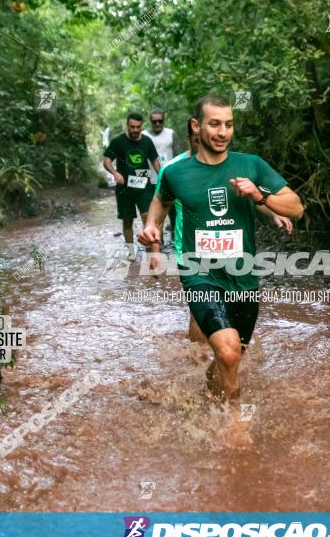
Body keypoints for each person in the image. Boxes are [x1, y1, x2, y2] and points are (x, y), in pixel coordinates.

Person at [139, 94, 304, 402]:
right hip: (198, 271)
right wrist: (153, 232)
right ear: (196, 126)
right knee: (226, 351)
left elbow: (296, 207)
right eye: (214, 124)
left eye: (228, 125)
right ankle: (234, 428)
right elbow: (160, 202)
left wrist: (262, 199)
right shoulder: (175, 171)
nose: (222, 132)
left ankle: (209, 400)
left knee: (231, 358)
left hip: (243, 277)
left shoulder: (250, 164)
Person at [104, 112, 161, 259]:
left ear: (141, 126)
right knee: (127, 220)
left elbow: (155, 162)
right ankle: (130, 252)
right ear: (127, 125)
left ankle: (149, 249)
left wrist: (162, 178)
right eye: (132, 127)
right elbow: (107, 161)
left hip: (144, 187)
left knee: (147, 216)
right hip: (125, 189)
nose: (135, 130)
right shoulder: (118, 142)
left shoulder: (147, 141)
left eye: (138, 127)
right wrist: (115, 173)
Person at [144, 109, 183, 232]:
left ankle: (174, 236)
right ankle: (157, 240)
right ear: (150, 121)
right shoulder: (144, 135)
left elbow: (178, 155)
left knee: (173, 210)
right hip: (151, 179)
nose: (157, 124)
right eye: (154, 121)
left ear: (163, 121)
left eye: (160, 121)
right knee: (153, 210)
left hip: (169, 178)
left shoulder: (171, 133)